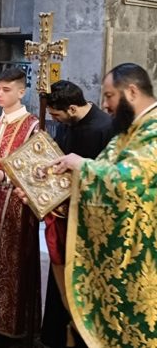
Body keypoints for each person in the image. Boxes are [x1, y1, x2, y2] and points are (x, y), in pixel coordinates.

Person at [51, 63, 156, 348]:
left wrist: (82, 165)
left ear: (131, 92)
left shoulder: (153, 130)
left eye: (109, 96)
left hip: (143, 257)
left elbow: (129, 181)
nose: (105, 105)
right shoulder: (126, 134)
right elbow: (100, 173)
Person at [41, 80, 113, 348]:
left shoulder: (105, 128)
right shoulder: (66, 124)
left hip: (88, 221)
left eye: (56, 115)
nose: (55, 120)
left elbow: (106, 177)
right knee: (59, 279)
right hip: (63, 215)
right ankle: (55, 337)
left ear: (72, 109)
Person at [0, 67, 39, 345]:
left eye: (6, 90)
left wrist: (5, 176)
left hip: (16, 209)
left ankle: (11, 324)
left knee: (11, 264)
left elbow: (37, 170)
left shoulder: (33, 127)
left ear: (21, 92)